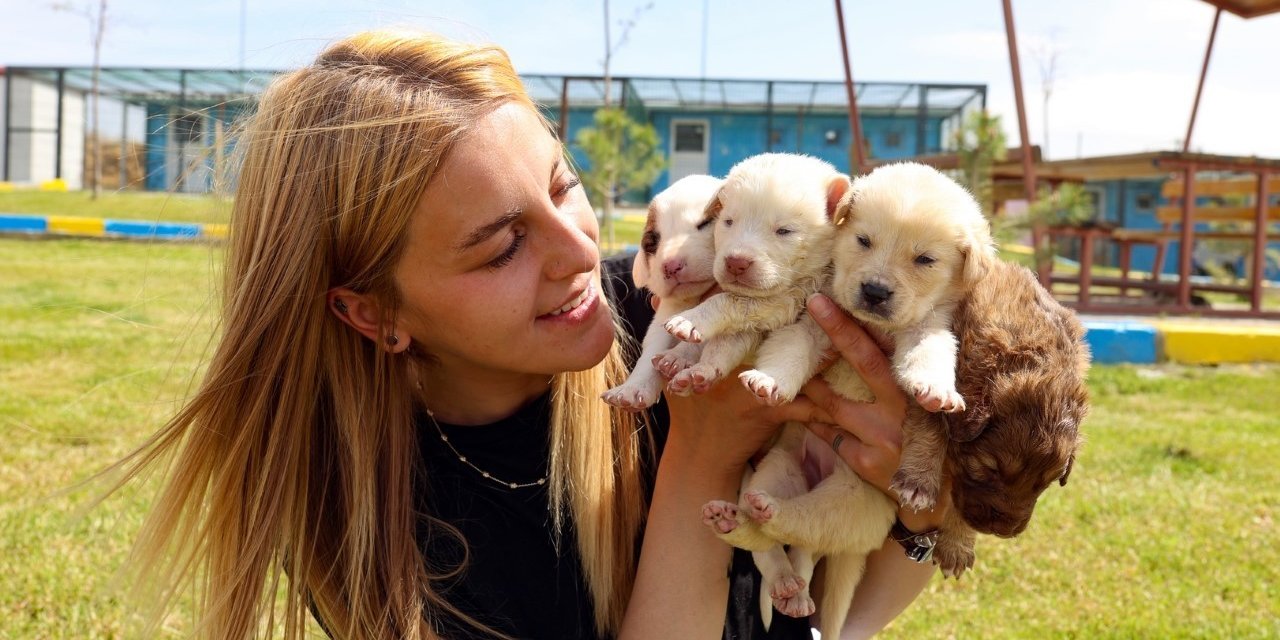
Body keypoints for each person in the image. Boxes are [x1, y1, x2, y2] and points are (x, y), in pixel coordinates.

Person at [110, 30, 945, 640]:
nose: (583, 251)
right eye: (504, 245)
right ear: (374, 313)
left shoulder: (659, 309)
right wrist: (702, 454)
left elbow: (920, 517)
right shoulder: (378, 520)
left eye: (564, 182)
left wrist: (923, 507)